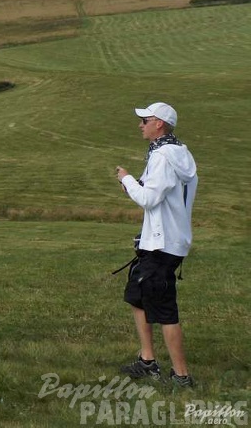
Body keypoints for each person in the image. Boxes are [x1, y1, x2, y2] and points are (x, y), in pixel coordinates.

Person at [115, 102, 198, 387]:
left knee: (164, 310)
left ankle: (181, 376)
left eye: (145, 120)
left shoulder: (164, 156)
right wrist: (136, 184)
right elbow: (158, 196)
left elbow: (149, 199)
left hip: (163, 246)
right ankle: (148, 361)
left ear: (159, 124)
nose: (141, 124)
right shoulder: (174, 153)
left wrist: (126, 179)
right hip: (161, 242)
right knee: (137, 296)